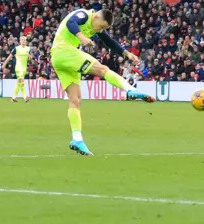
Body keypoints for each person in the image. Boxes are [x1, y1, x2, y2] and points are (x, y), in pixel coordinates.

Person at [50, 9, 155, 156]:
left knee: (75, 101)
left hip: (60, 59)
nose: (100, 30)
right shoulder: (84, 15)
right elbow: (70, 22)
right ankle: (131, 90)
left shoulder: (95, 25)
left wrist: (127, 53)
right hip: (64, 52)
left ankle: (77, 139)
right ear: (96, 17)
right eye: (101, 26)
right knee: (102, 69)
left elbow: (109, 41)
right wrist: (81, 37)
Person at [2, 35, 32, 103]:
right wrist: (4, 64)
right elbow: (9, 57)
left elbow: (30, 59)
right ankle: (25, 97)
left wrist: (30, 57)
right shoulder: (16, 49)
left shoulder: (28, 49)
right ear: (20, 41)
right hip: (18, 67)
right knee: (22, 81)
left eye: (25, 40)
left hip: (24, 68)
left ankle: (14, 97)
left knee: (19, 83)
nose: (24, 41)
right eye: (22, 40)